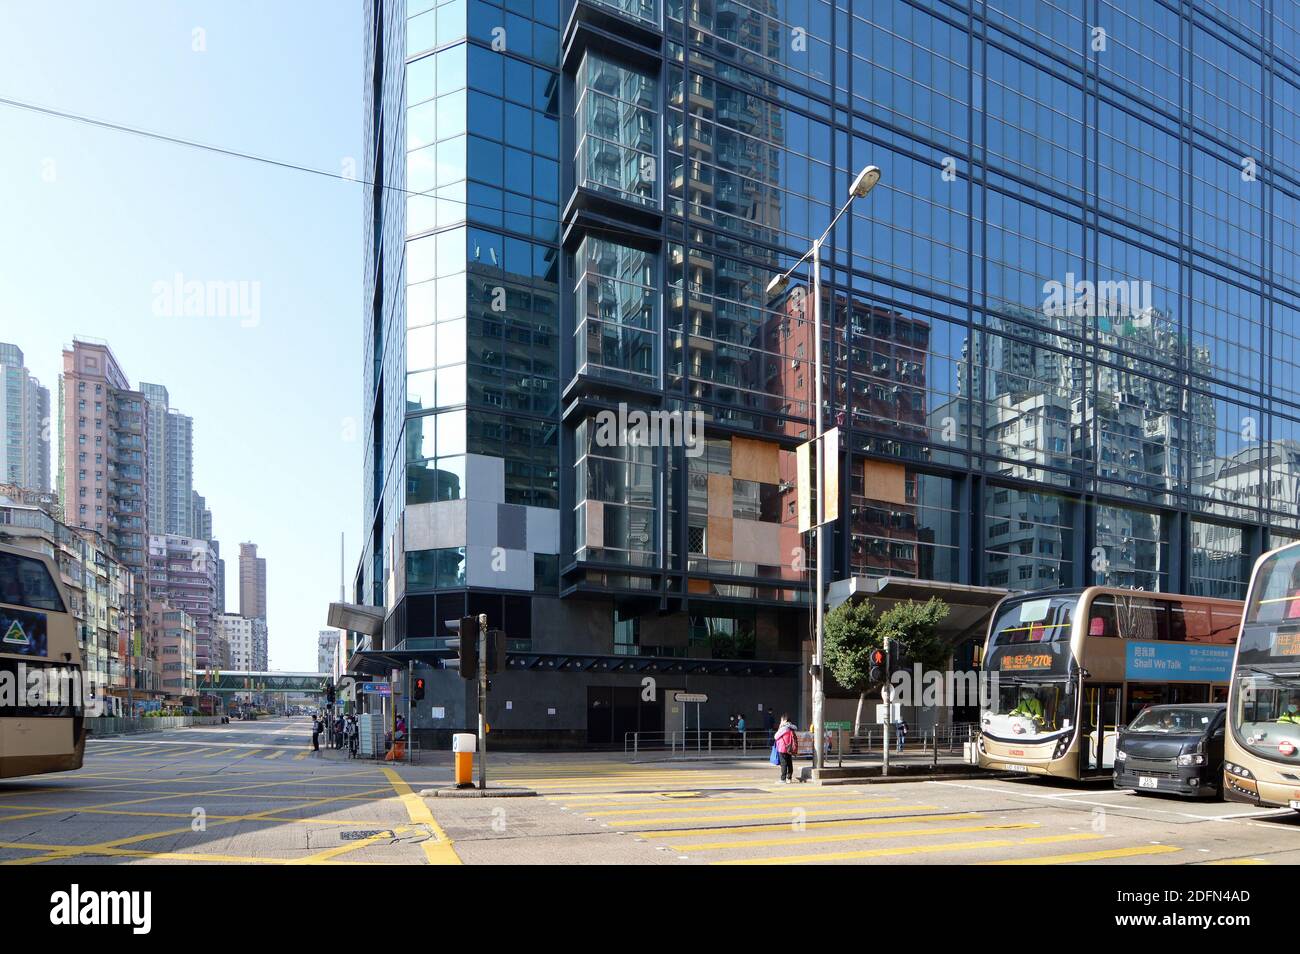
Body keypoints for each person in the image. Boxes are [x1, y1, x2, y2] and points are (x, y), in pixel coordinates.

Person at [773, 714, 798, 784]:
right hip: (789, 747)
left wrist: (780, 726)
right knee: (789, 763)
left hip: (783, 748)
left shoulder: (784, 728)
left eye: (781, 720)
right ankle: (789, 778)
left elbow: (776, 736)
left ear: (785, 720)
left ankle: (783, 779)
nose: (780, 721)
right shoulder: (792, 727)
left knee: (783, 764)